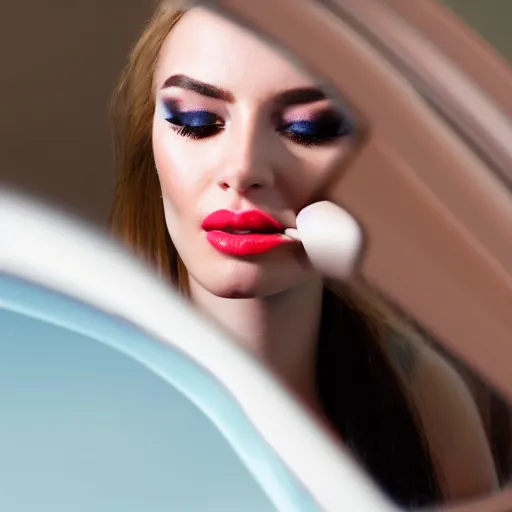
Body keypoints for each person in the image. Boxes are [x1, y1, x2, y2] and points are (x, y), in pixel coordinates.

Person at [109, 1, 498, 507]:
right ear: (152, 140)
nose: (244, 168)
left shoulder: (422, 395)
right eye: (198, 121)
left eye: (308, 128)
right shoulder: (73, 399)